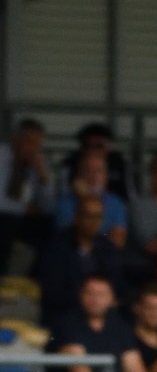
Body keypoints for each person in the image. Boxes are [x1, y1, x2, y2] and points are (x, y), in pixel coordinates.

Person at [36, 193, 131, 327]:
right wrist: (92, 301)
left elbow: (118, 282)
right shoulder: (56, 246)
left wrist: (117, 300)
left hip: (103, 316)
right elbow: (52, 293)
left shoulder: (107, 247)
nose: (94, 222)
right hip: (66, 316)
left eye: (98, 216)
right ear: (77, 217)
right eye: (88, 216)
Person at [0, 118, 56, 276]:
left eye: (37, 144)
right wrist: (22, 208)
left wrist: (43, 178)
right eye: (29, 142)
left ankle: (34, 278)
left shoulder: (39, 163)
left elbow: (48, 207)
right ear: (15, 139)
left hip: (21, 218)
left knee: (49, 227)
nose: (32, 149)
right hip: (5, 216)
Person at [54, 149, 128, 249]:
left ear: (106, 176)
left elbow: (117, 242)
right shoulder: (65, 202)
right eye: (87, 170)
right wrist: (84, 199)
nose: (92, 176)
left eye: (98, 171)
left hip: (105, 257)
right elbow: (69, 239)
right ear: (79, 175)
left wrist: (93, 241)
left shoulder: (116, 203)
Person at [59, 122, 129, 201]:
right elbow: (60, 195)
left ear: (109, 147)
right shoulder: (70, 164)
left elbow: (130, 198)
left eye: (99, 146)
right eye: (87, 146)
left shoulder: (120, 165)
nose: (92, 150)